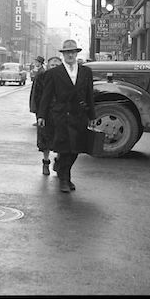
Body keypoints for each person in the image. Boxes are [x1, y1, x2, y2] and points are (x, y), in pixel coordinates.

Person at [37, 39, 96, 193]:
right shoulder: (53, 73)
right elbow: (46, 96)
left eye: (73, 52)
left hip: (79, 115)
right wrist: (41, 115)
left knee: (76, 149)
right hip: (61, 116)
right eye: (67, 52)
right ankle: (65, 179)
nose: (70, 55)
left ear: (77, 54)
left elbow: (89, 94)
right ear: (63, 55)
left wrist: (92, 115)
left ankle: (64, 173)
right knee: (64, 149)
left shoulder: (86, 72)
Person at [33, 56, 62, 175]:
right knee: (45, 141)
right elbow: (37, 96)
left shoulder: (64, 78)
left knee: (61, 141)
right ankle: (46, 162)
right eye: (52, 65)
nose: (54, 68)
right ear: (48, 66)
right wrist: (39, 114)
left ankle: (58, 162)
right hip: (46, 114)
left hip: (60, 114)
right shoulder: (41, 77)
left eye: (57, 65)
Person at [28, 56, 46, 126]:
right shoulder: (40, 70)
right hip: (36, 91)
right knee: (36, 106)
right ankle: (37, 119)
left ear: (40, 63)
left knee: (37, 107)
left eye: (36, 62)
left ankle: (39, 120)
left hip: (38, 92)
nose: (35, 63)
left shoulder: (42, 71)